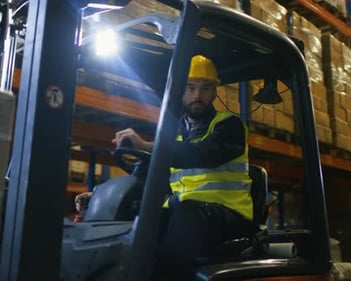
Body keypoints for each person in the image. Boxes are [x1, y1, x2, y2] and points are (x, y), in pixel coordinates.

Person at [76, 55, 258, 280]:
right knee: (133, 214)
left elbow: (203, 154)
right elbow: (147, 173)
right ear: (181, 91)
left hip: (228, 215)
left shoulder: (229, 125)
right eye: (190, 88)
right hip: (185, 212)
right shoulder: (174, 133)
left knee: (186, 215)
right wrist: (100, 197)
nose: (197, 96)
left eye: (204, 88)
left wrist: (148, 145)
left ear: (215, 92)